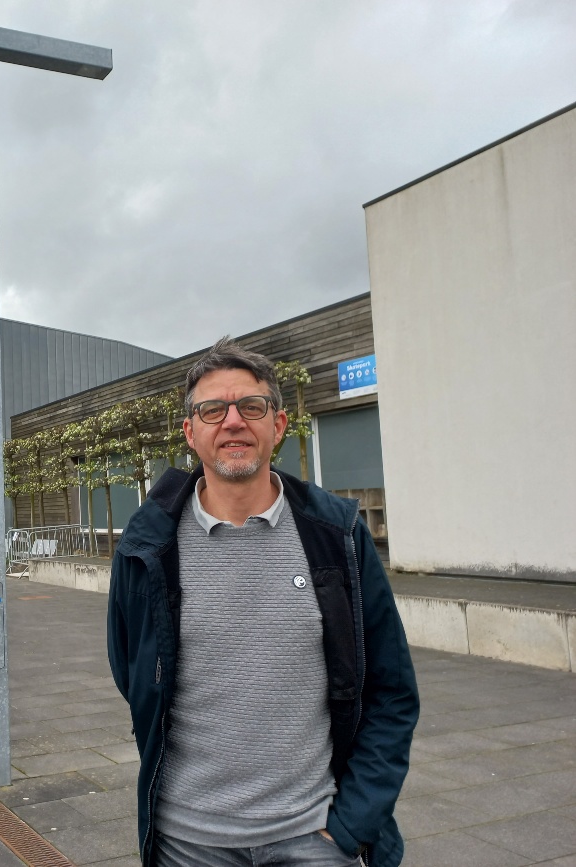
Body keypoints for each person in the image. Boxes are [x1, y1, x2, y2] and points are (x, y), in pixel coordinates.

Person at [107, 338, 418, 867]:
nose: (233, 421)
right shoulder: (147, 546)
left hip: (314, 837)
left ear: (278, 425)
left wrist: (350, 827)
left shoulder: (336, 535)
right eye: (212, 410)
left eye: (251, 407)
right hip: (187, 842)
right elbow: (131, 670)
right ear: (191, 432)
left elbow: (391, 691)